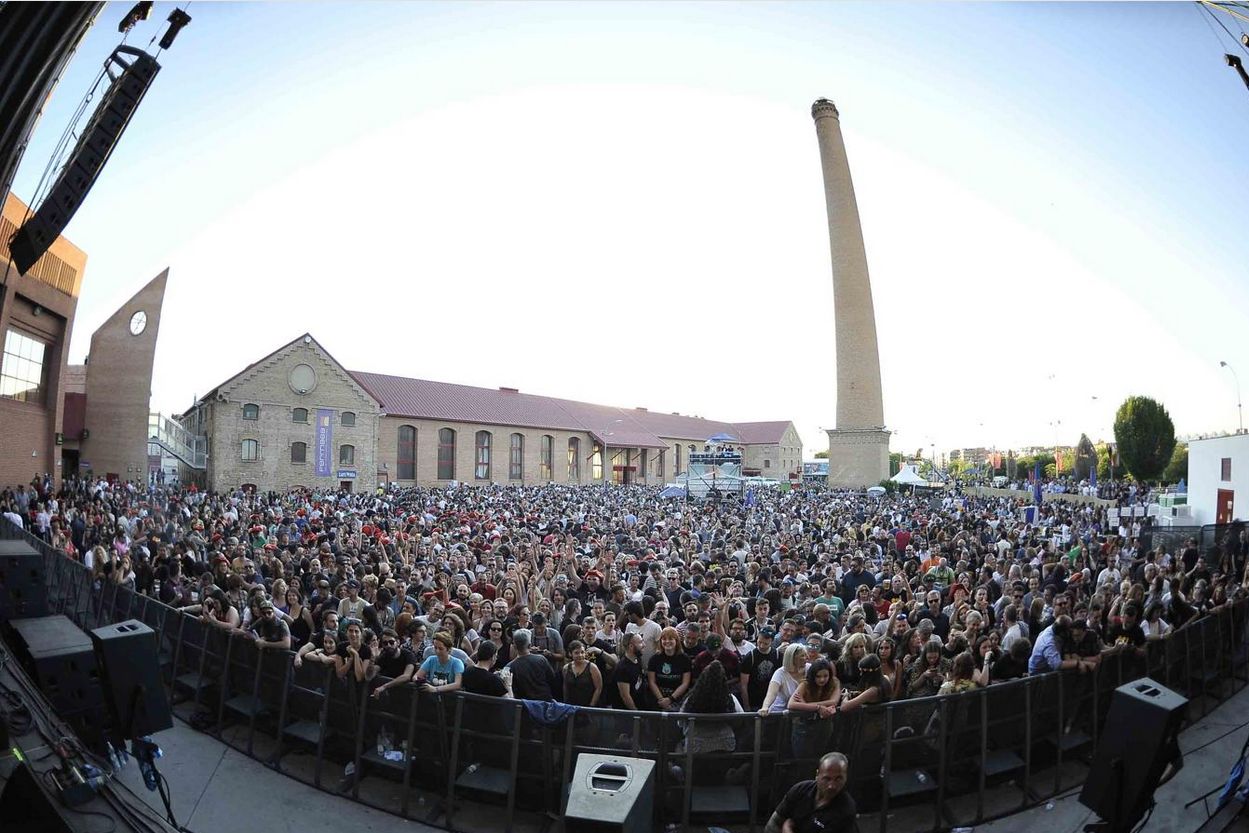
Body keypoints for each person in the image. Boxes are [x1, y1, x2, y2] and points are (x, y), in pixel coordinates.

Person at [765, 751, 859, 833]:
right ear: (817, 775)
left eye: (838, 779)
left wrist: (787, 829)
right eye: (826, 778)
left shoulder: (846, 811)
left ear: (846, 777)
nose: (832, 786)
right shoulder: (800, 790)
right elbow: (773, 825)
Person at [788, 658, 841, 760]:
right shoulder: (805, 684)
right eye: (818, 676)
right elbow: (791, 704)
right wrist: (817, 708)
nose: (822, 679)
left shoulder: (834, 682)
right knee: (803, 761)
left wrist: (806, 704)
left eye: (825, 676)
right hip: (804, 728)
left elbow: (834, 701)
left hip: (824, 727)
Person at [647, 626, 692, 711]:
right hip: (658, 698)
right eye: (664, 639)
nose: (667, 641)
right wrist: (661, 700)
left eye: (671, 639)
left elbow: (685, 683)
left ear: (676, 641)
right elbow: (651, 682)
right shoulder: (654, 659)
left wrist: (670, 699)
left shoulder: (685, 659)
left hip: (677, 698)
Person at [507, 628, 559, 701]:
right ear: (529, 645)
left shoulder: (510, 667)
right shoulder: (541, 660)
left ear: (514, 646)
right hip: (545, 702)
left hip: (525, 705)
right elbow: (552, 679)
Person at [371, 628, 419, 697]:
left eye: (391, 642)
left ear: (398, 642)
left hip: (405, 694)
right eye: (385, 643)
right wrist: (373, 658)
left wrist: (384, 686)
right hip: (390, 695)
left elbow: (406, 676)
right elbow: (370, 675)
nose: (388, 645)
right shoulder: (383, 656)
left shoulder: (408, 655)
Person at [562, 640, 603, 707]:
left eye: (582, 652)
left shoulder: (592, 668)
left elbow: (598, 688)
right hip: (572, 705)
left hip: (588, 705)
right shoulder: (566, 668)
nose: (580, 655)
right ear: (570, 654)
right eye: (576, 653)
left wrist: (591, 705)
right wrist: (566, 704)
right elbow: (565, 687)